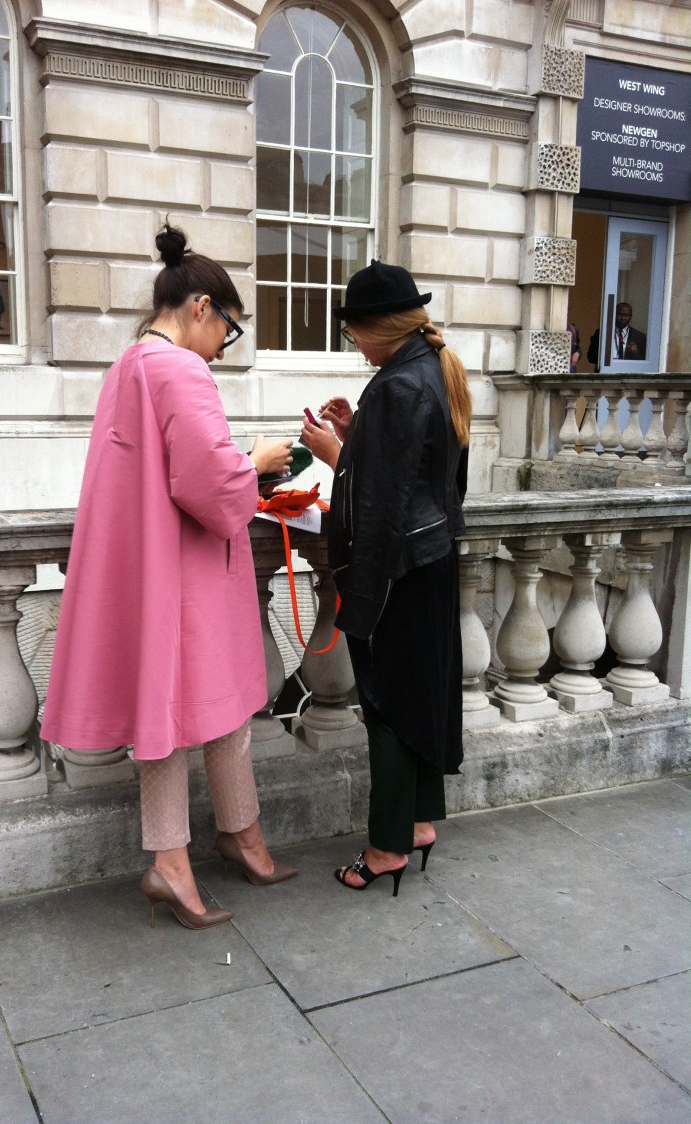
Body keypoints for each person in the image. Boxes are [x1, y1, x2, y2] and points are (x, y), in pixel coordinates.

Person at [41, 223, 298, 930]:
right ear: (200, 308)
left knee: (181, 711)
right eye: (229, 330)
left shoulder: (127, 365)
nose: (225, 346)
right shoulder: (182, 370)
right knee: (205, 709)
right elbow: (208, 484)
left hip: (152, 570)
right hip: (191, 573)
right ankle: (187, 857)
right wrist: (258, 462)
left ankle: (223, 841)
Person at [301, 260, 470, 897]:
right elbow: (431, 479)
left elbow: (379, 504)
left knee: (389, 706)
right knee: (419, 696)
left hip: (400, 569)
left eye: (354, 334)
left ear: (378, 328)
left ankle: (386, 849)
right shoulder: (433, 369)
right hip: (431, 561)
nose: (356, 346)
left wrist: (336, 455)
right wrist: (357, 434)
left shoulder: (399, 385)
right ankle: (418, 824)